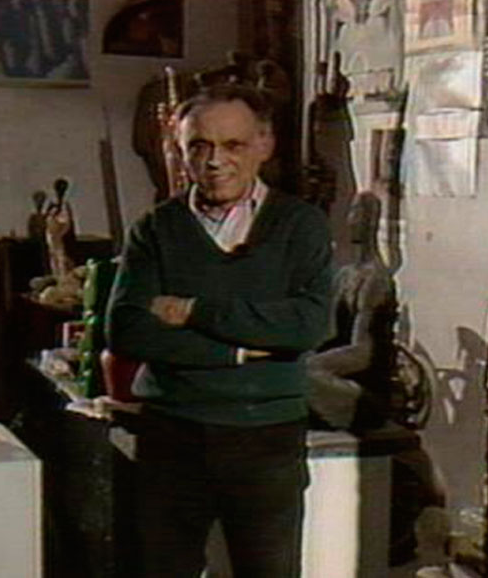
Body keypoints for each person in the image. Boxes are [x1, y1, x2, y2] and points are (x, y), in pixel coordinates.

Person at [105, 84, 333, 577]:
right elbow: (127, 331)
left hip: (266, 439)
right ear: (180, 150)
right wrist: (241, 353)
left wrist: (194, 311)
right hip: (172, 434)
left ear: (264, 144)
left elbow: (309, 325)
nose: (214, 161)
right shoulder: (155, 229)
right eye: (199, 146)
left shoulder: (301, 225)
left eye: (233, 145)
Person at [306, 191, 399, 432]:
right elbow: (329, 333)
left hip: (365, 385)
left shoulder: (375, 279)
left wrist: (314, 364)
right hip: (337, 370)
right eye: (352, 212)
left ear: (373, 222)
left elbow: (362, 353)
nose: (353, 219)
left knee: (305, 372)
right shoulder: (346, 275)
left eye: (360, 213)